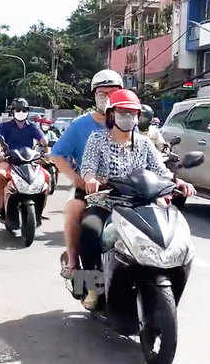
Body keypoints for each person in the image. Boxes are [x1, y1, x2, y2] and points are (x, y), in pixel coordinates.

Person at [76, 89, 196, 310]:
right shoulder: (97, 140)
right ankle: (92, 287)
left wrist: (178, 183)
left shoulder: (144, 143)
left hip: (142, 203)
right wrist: (91, 180)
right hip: (107, 202)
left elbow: (161, 170)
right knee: (89, 230)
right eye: (123, 112)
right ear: (112, 114)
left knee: (168, 233)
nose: (128, 117)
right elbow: (88, 168)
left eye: (133, 113)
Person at [50, 69, 123, 280]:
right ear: (94, 96)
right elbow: (57, 155)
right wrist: (78, 180)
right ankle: (75, 267)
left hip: (125, 190)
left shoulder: (128, 123)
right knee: (74, 210)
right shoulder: (80, 125)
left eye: (113, 93)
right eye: (102, 93)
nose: (108, 98)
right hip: (91, 190)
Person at [0, 98, 48, 218]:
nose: (21, 112)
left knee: (46, 177)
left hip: (29, 161)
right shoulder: (5, 126)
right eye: (18, 110)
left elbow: (43, 139)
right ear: (12, 111)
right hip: (9, 159)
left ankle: (40, 209)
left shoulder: (33, 126)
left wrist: (46, 148)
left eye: (24, 110)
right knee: (0, 175)